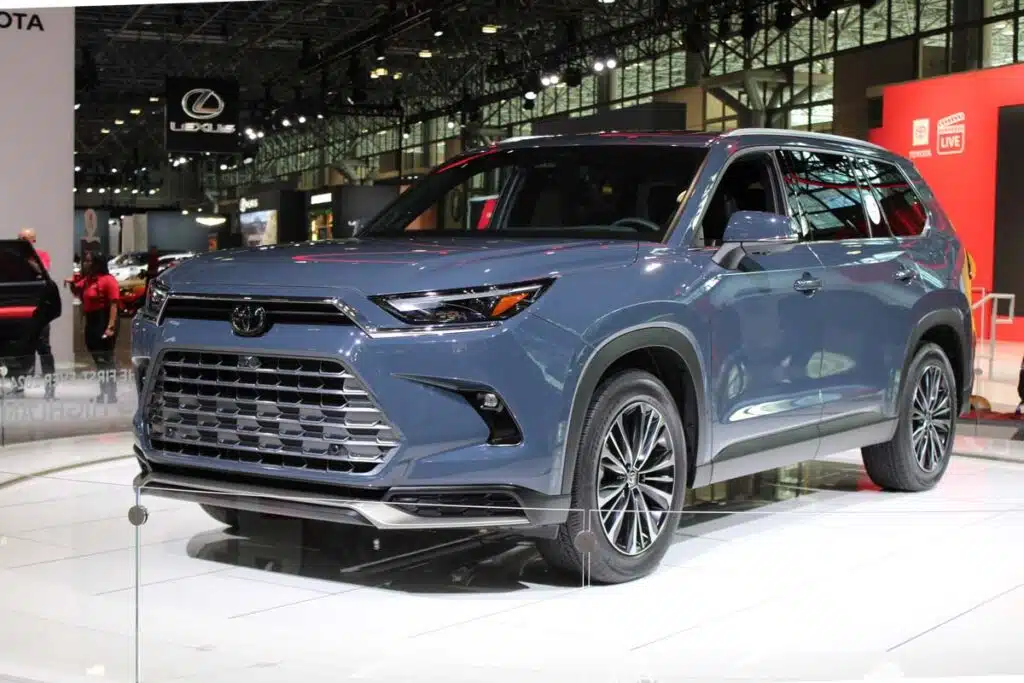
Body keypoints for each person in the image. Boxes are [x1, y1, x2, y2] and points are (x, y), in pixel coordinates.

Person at [71, 250, 120, 403]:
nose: (86, 264)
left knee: (106, 359)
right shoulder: (88, 280)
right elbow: (76, 291)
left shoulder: (108, 280)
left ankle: (111, 393)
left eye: (89, 261)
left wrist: (110, 326)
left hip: (103, 320)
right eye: (85, 261)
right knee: (99, 360)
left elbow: (114, 305)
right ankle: (103, 391)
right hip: (91, 322)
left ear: (97, 263)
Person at [13, 228, 56, 399]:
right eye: (19, 238)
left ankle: (50, 389)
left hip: (39, 311)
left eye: (25, 239)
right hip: (20, 310)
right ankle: (18, 387)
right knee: (21, 351)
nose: (21, 242)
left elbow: (42, 271)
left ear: (33, 241)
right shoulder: (12, 259)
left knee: (44, 350)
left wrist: (26, 259)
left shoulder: (41, 255)